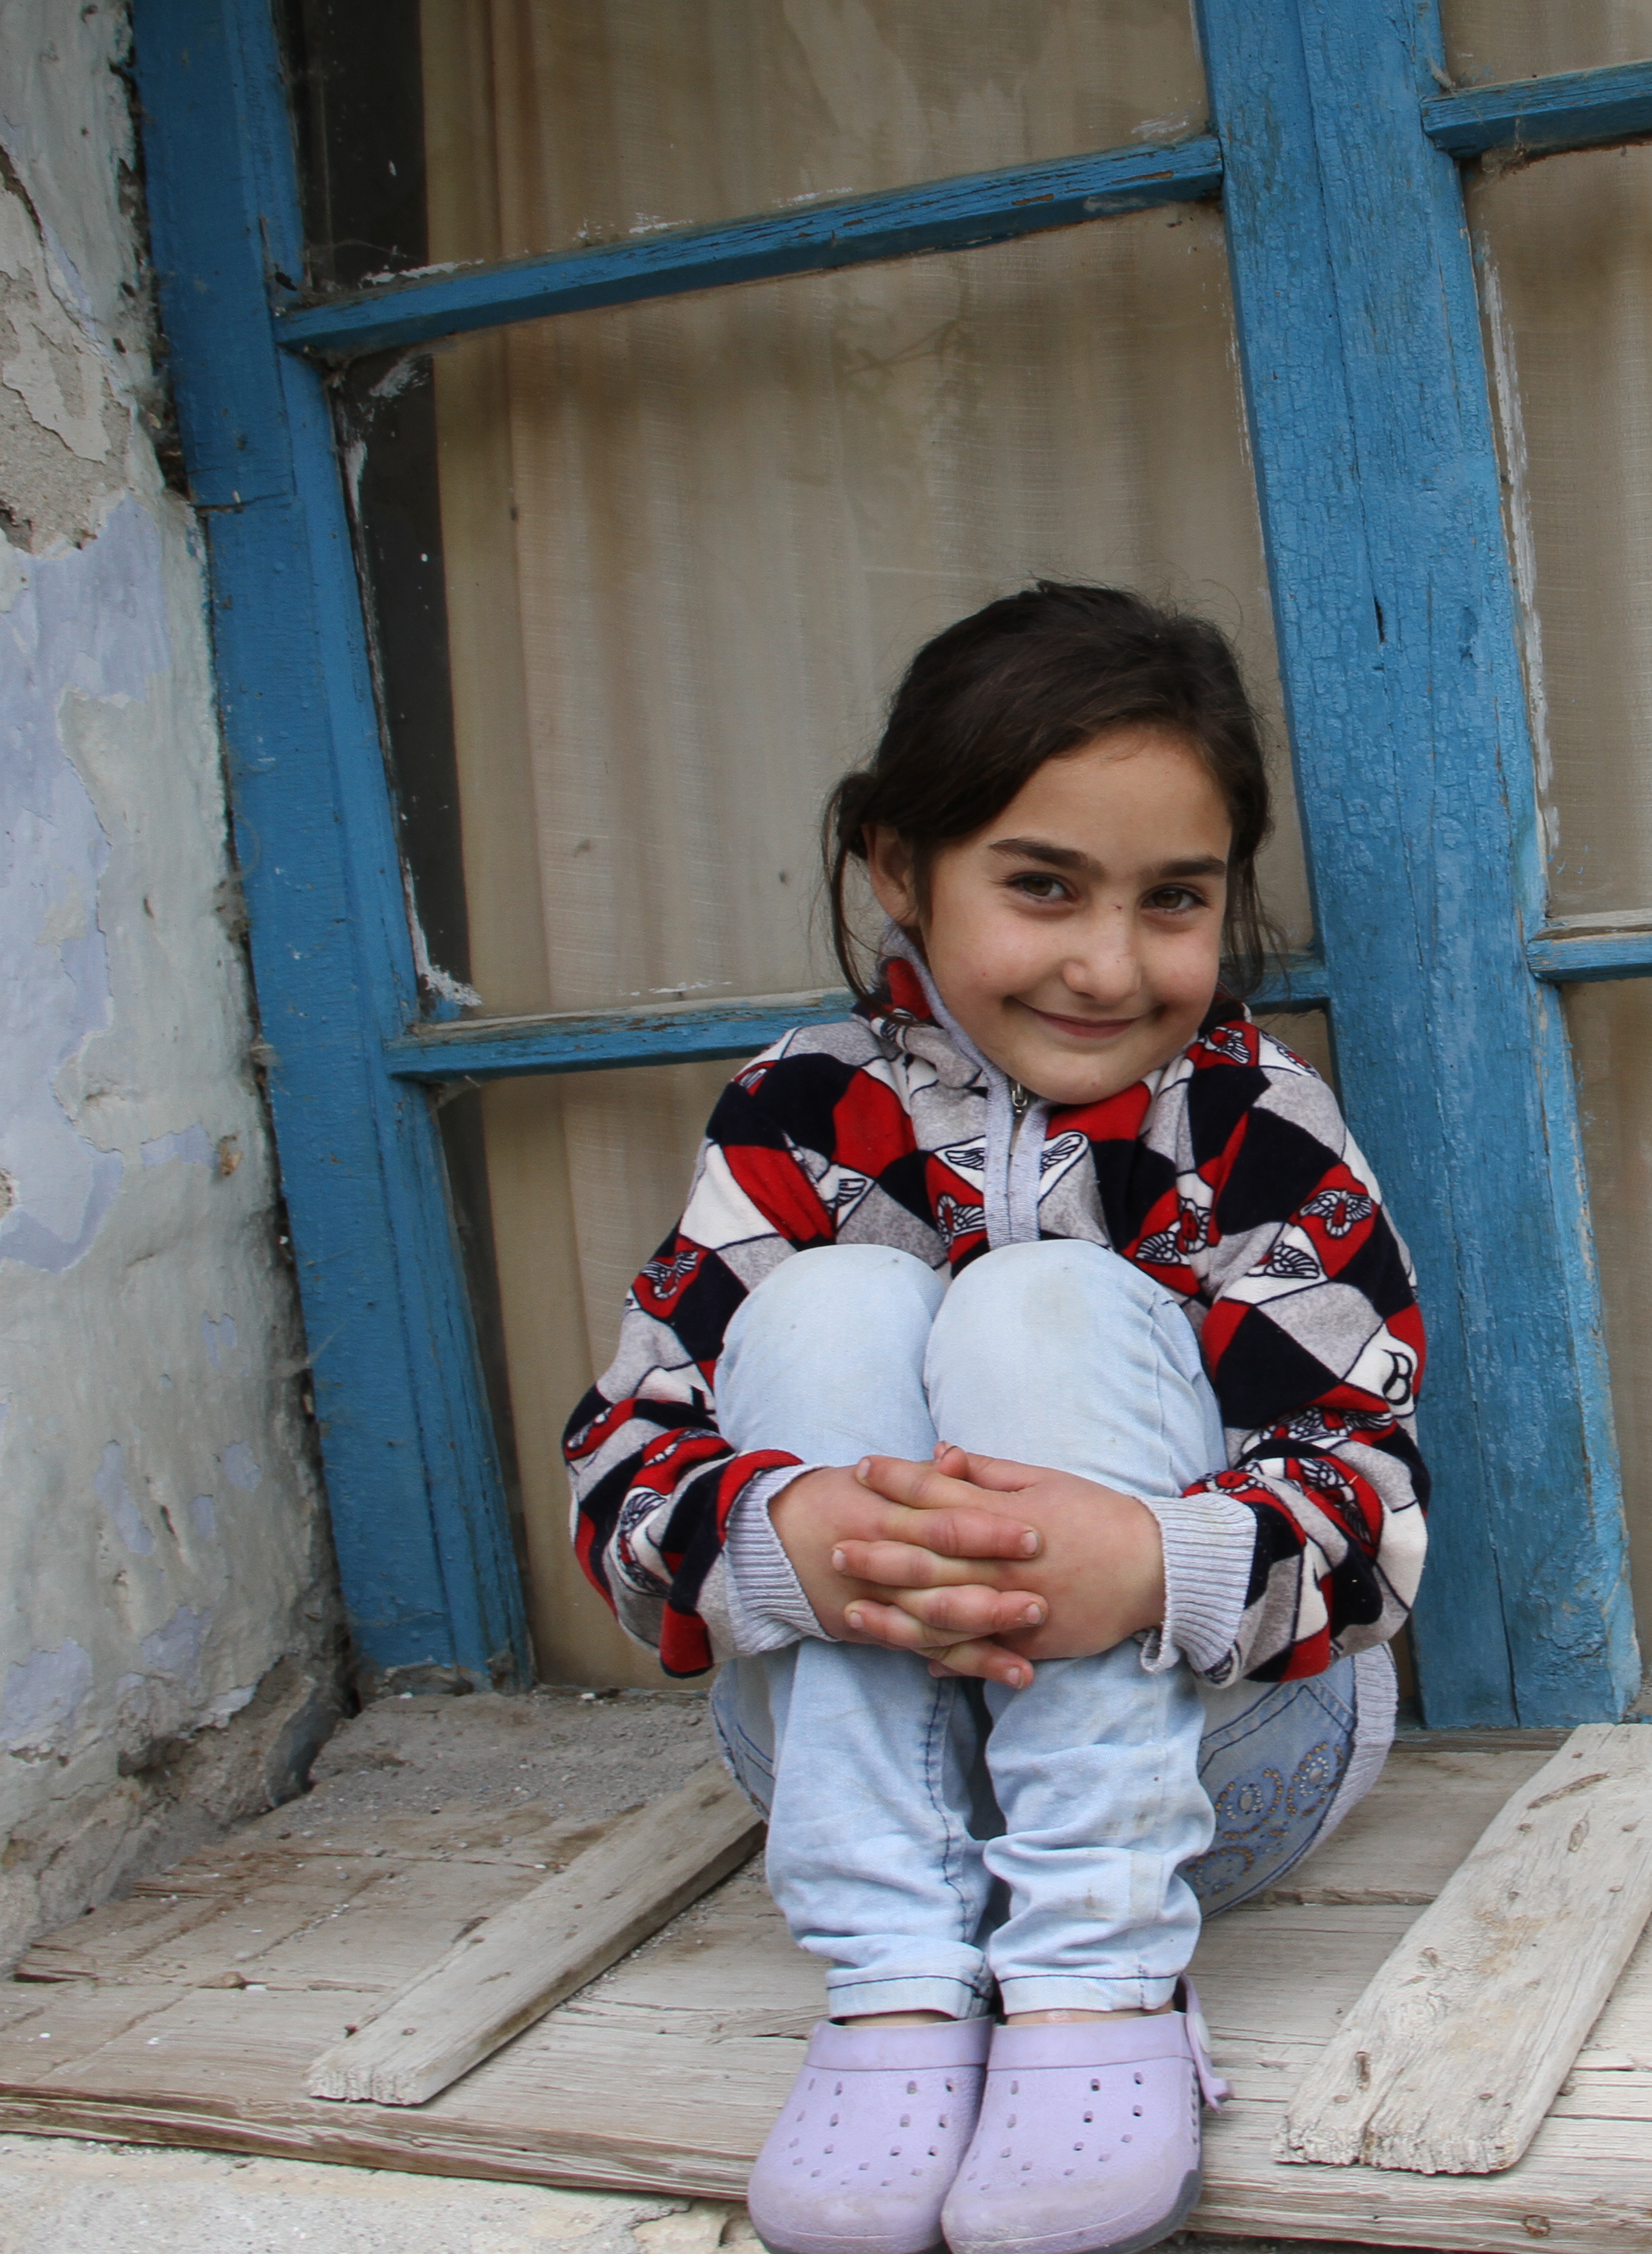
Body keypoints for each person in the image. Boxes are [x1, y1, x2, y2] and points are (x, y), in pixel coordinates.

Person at [558, 583, 1428, 2254]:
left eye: (1175, 900)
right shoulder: (799, 1116)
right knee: (828, 1302)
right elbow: (619, 1463)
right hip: (850, 1783)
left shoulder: (1255, 1127)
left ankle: (1101, 1982)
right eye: (1043, 887)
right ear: (900, 868)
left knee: (1042, 1298)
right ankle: (894, 1989)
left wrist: (1149, 1562)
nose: (1111, 963)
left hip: (1217, 1766)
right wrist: (781, 1537)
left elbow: (1376, 1507)